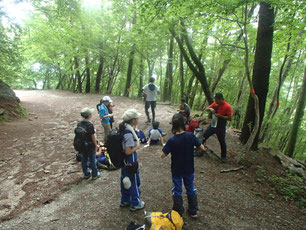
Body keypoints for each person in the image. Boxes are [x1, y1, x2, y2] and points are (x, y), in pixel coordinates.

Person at [161, 113, 205, 218]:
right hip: (189, 168)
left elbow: (162, 155)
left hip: (176, 170)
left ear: (174, 126)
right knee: (190, 187)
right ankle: (193, 211)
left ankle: (178, 212)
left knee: (177, 189)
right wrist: (193, 147)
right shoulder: (191, 136)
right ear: (183, 123)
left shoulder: (172, 140)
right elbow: (202, 148)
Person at [119, 108, 145, 211]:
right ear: (132, 120)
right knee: (133, 180)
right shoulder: (129, 134)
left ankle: (125, 199)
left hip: (123, 160)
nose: (138, 119)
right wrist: (137, 147)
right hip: (130, 159)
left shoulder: (123, 128)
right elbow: (128, 151)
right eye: (137, 118)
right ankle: (135, 202)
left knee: (125, 179)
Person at [202, 93, 232, 163]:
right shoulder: (215, 103)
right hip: (213, 124)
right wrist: (210, 109)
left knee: (222, 141)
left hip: (221, 126)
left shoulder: (227, 106)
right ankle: (199, 149)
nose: (215, 100)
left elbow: (230, 118)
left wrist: (220, 116)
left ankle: (223, 157)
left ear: (220, 99)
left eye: (216, 99)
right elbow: (206, 108)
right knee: (204, 136)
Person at [79, 107, 100, 180]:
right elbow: (93, 136)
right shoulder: (90, 125)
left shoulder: (80, 123)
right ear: (89, 116)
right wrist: (96, 145)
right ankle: (95, 174)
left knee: (84, 159)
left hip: (82, 145)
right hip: (90, 145)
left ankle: (86, 173)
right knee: (92, 160)